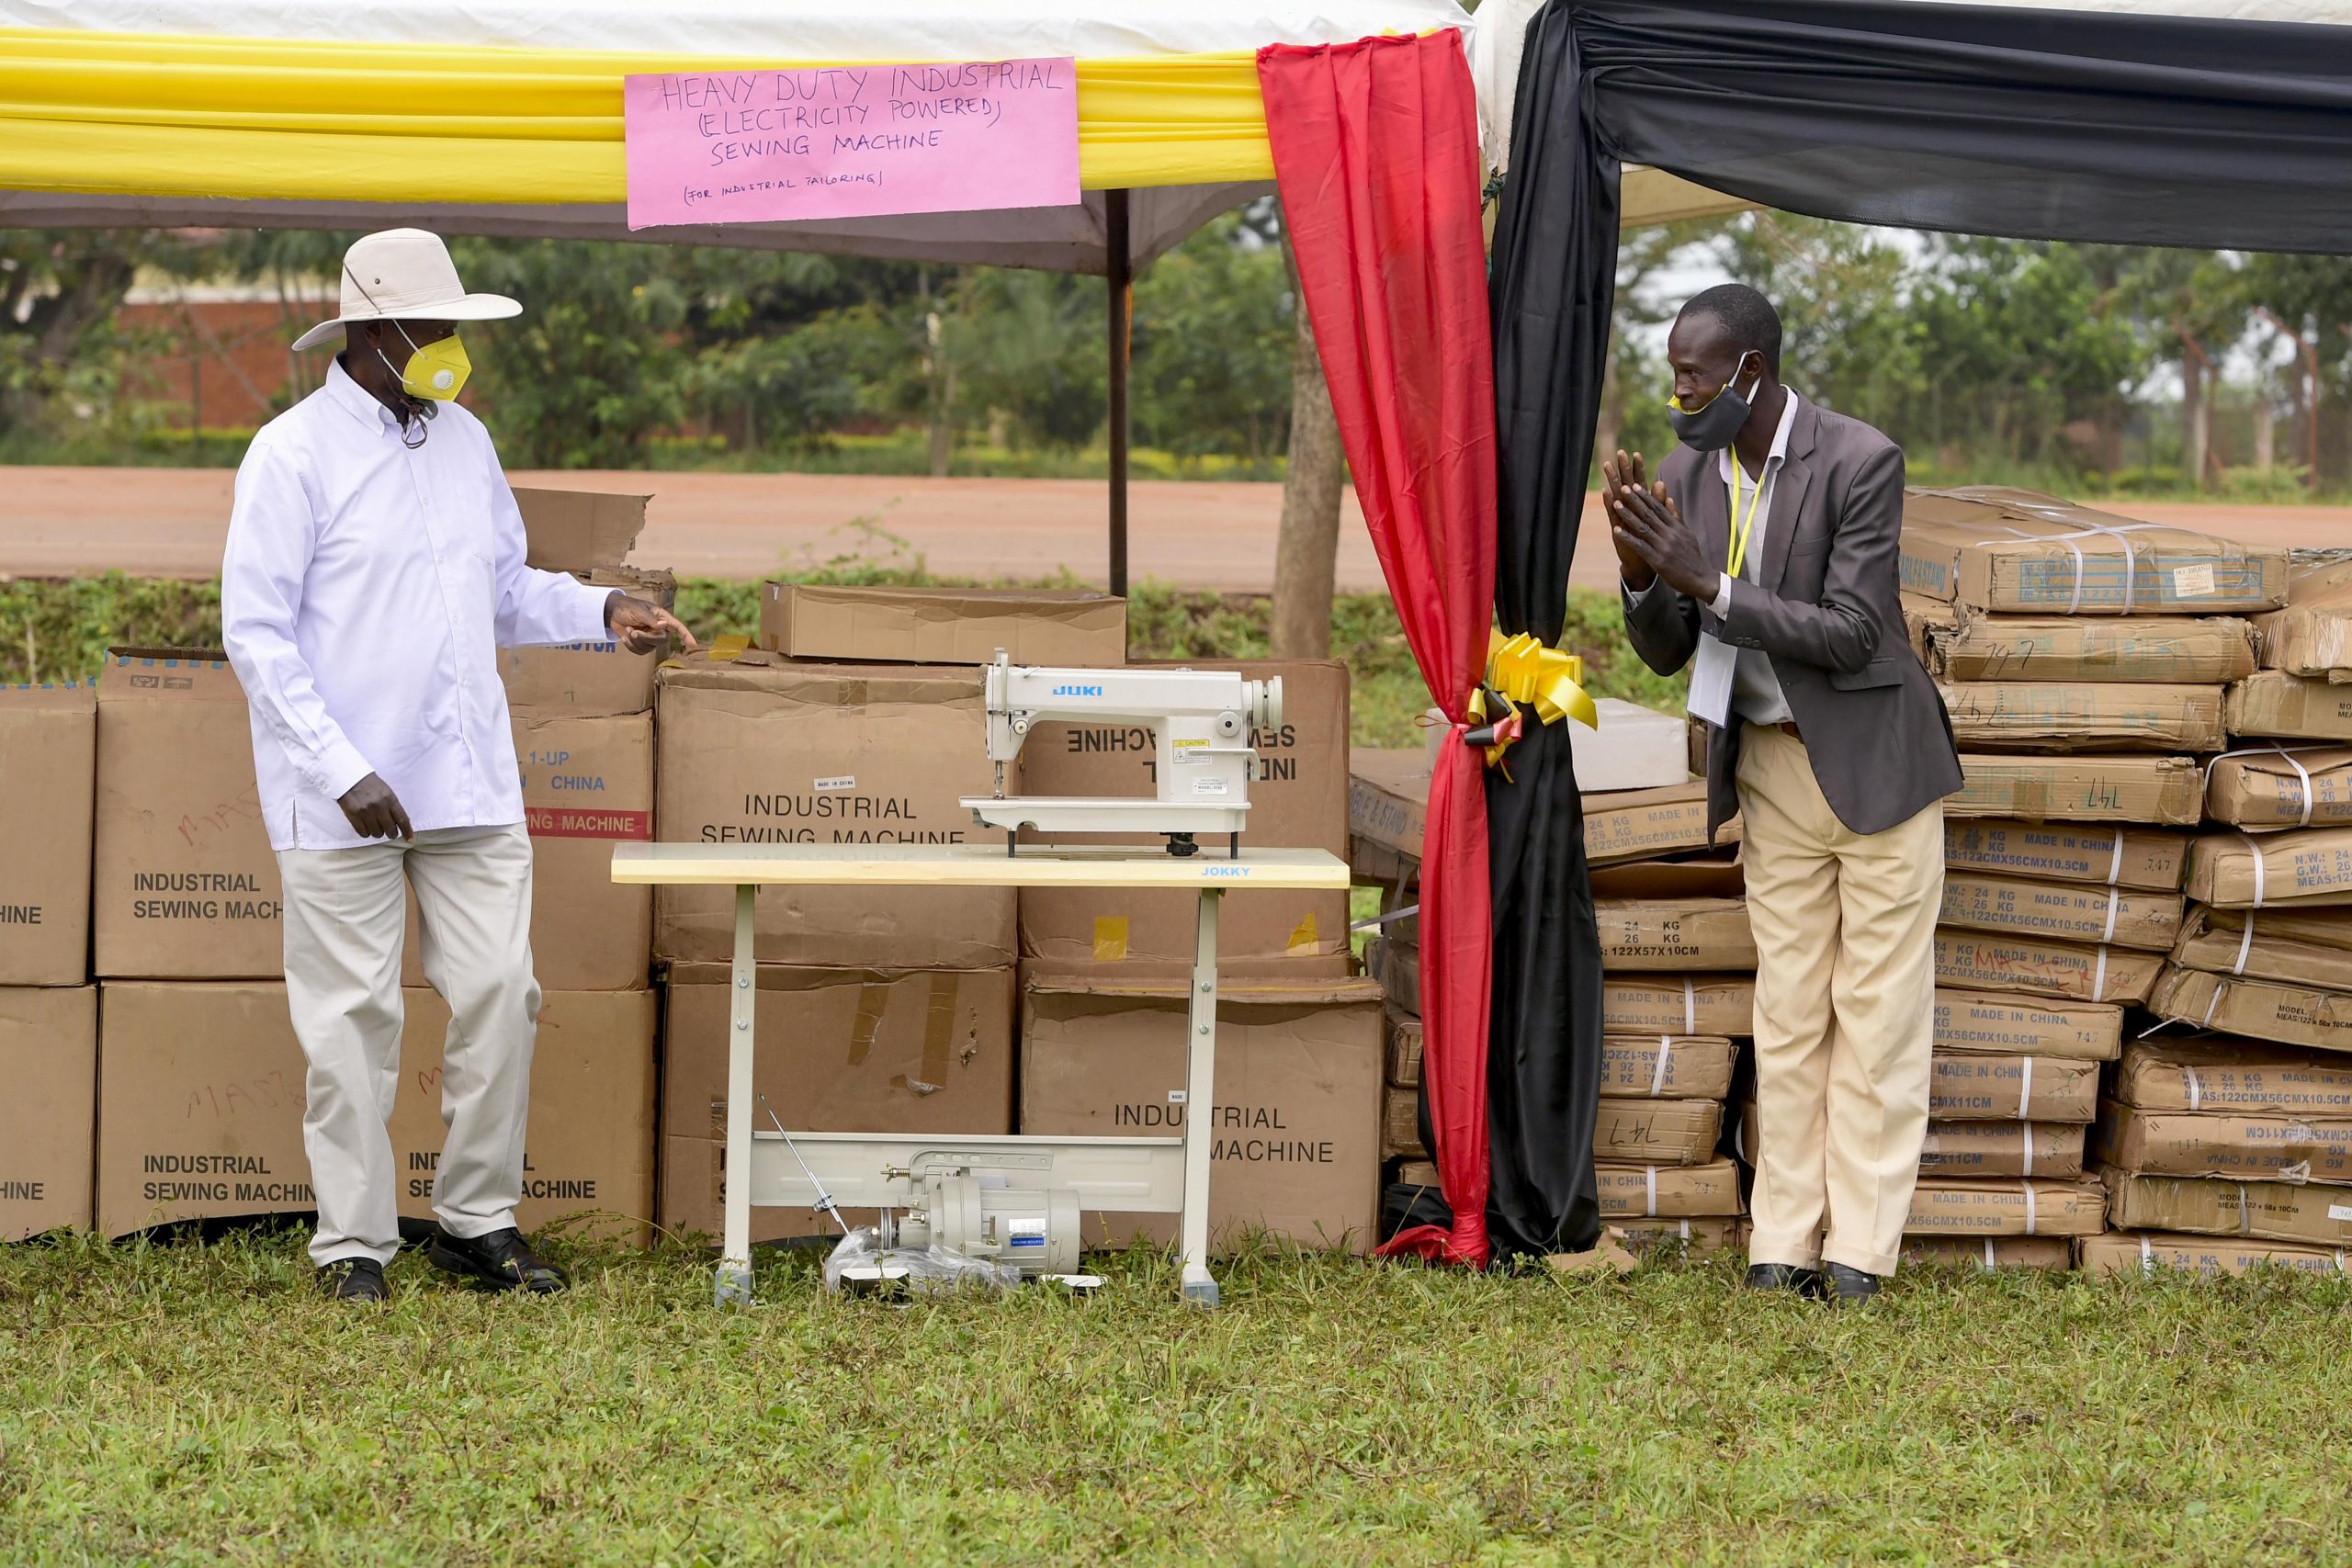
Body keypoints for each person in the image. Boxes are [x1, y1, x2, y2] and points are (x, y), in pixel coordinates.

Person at [221, 229, 697, 1303]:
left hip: (464, 778)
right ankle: (353, 1244)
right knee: (353, 1021)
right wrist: (341, 769)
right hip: (343, 793)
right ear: (371, 333)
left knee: (500, 993)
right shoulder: (291, 455)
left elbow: (503, 588)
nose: (450, 345)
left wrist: (602, 608)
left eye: (454, 327)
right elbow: (256, 633)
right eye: (432, 328)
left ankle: (476, 1221)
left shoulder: (464, 442)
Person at [1603, 284, 1962, 1304]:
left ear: (1749, 371)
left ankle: (1859, 1253)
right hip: (1768, 768)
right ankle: (1782, 1245)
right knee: (1791, 1009)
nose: (1680, 395)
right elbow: (1669, 650)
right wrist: (1642, 578)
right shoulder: (1686, 472)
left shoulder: (1859, 460)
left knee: (1877, 1015)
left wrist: (1708, 583)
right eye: (1673, 375)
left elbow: (1854, 631)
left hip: (1874, 767)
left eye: (1694, 377)